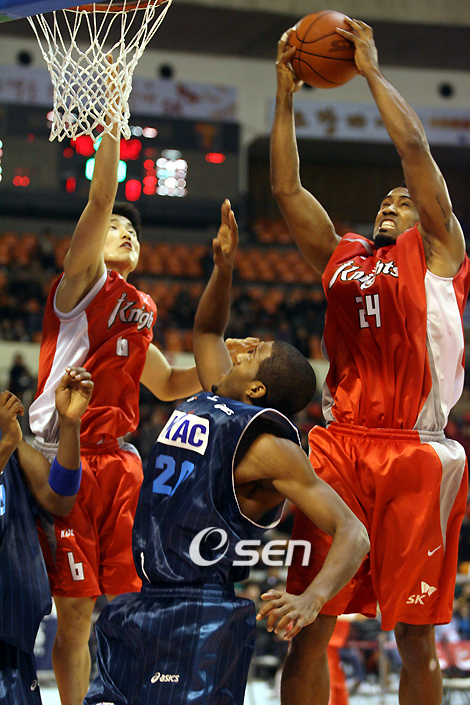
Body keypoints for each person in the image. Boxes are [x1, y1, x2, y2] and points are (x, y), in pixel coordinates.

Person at [83, 199, 370, 705]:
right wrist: (224, 267)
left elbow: (354, 532)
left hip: (199, 613)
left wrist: (312, 599)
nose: (242, 346)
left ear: (256, 388)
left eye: (254, 352)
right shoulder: (215, 393)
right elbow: (207, 331)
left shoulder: (269, 446)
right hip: (143, 600)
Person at [270, 17, 470, 705]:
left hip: (415, 451)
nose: (393, 202)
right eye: (386, 199)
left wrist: (370, 71)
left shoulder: (441, 252)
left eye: (404, 200)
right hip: (338, 445)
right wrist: (285, 95)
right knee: (307, 627)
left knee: (414, 637)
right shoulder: (345, 257)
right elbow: (288, 192)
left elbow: (413, 147)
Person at [28, 117, 201, 704]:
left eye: (133, 231)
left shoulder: (140, 306)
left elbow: (170, 383)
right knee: (75, 612)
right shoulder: (78, 286)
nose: (125, 232)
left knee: (123, 605)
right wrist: (110, 120)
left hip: (120, 464)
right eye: (115, 227)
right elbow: (102, 197)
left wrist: (224, 364)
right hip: (63, 458)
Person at [0, 366, 93, 705]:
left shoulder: (8, 438)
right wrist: (7, 445)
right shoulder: (6, 441)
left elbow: (59, 498)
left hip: (14, 640)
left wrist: (69, 423)